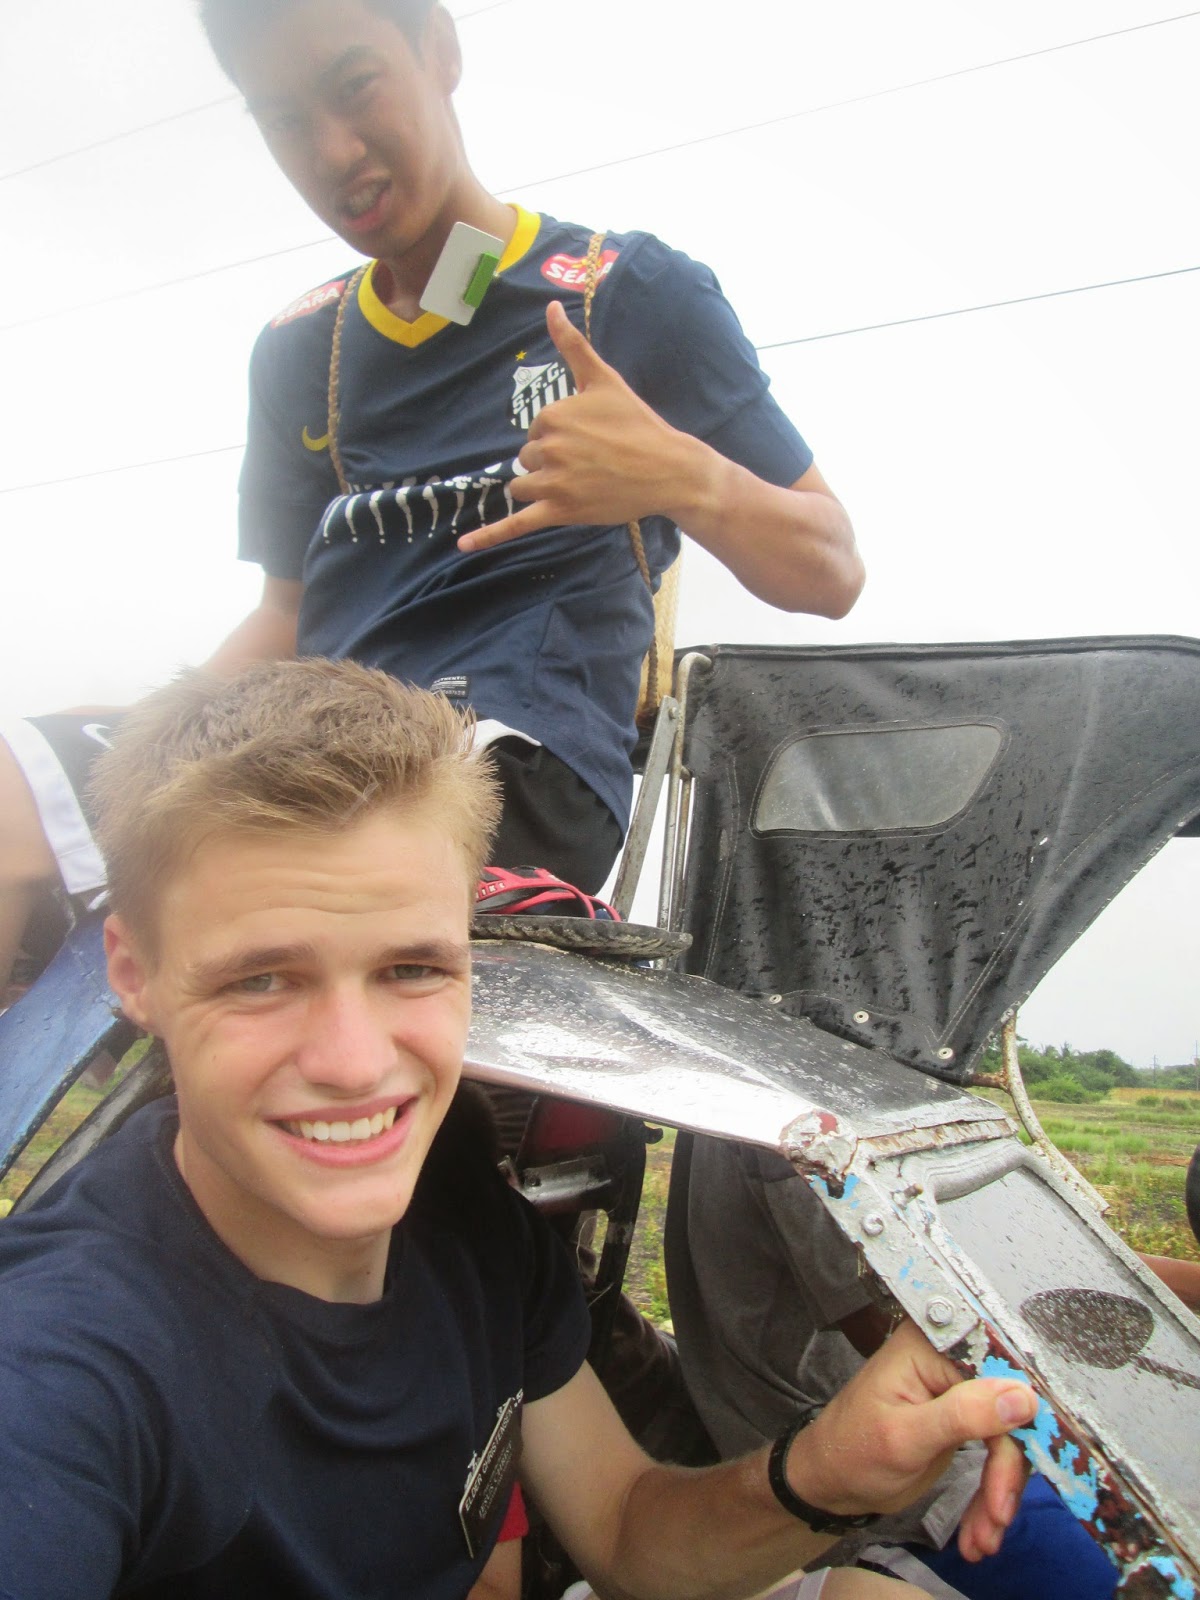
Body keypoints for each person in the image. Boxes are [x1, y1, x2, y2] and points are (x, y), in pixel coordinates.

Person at [0, 658, 1037, 1599]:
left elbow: (626, 1533)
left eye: (412, 967)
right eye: (261, 979)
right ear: (134, 973)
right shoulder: (59, 1365)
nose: (354, 1062)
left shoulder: (461, 1210)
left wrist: (822, 1474)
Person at [0, 0, 864, 994]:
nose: (332, 150)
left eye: (355, 86)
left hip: (503, 761)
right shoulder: (300, 348)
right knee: (16, 783)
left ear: (439, 51)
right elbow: (286, 616)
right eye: (284, 118)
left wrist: (683, 476)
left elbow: (831, 569)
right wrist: (151, 730)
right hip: (312, 738)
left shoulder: (623, 291)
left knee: (288, 862)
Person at [665, 1136, 1128, 1600]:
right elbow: (903, 1325)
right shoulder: (805, 1132)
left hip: (946, 1463)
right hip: (896, 1504)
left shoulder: (869, 1110)